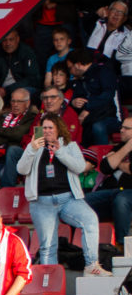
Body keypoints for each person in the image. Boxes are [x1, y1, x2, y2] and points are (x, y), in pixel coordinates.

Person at [21, 115, 107, 275]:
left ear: (58, 129)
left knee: (90, 220)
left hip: (68, 198)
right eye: (44, 128)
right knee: (48, 245)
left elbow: (79, 167)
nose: (47, 131)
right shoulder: (34, 147)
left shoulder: (70, 146)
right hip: (42, 201)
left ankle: (92, 265)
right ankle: (49, 281)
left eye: (50, 128)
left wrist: (60, 152)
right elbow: (21, 169)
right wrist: (31, 149)